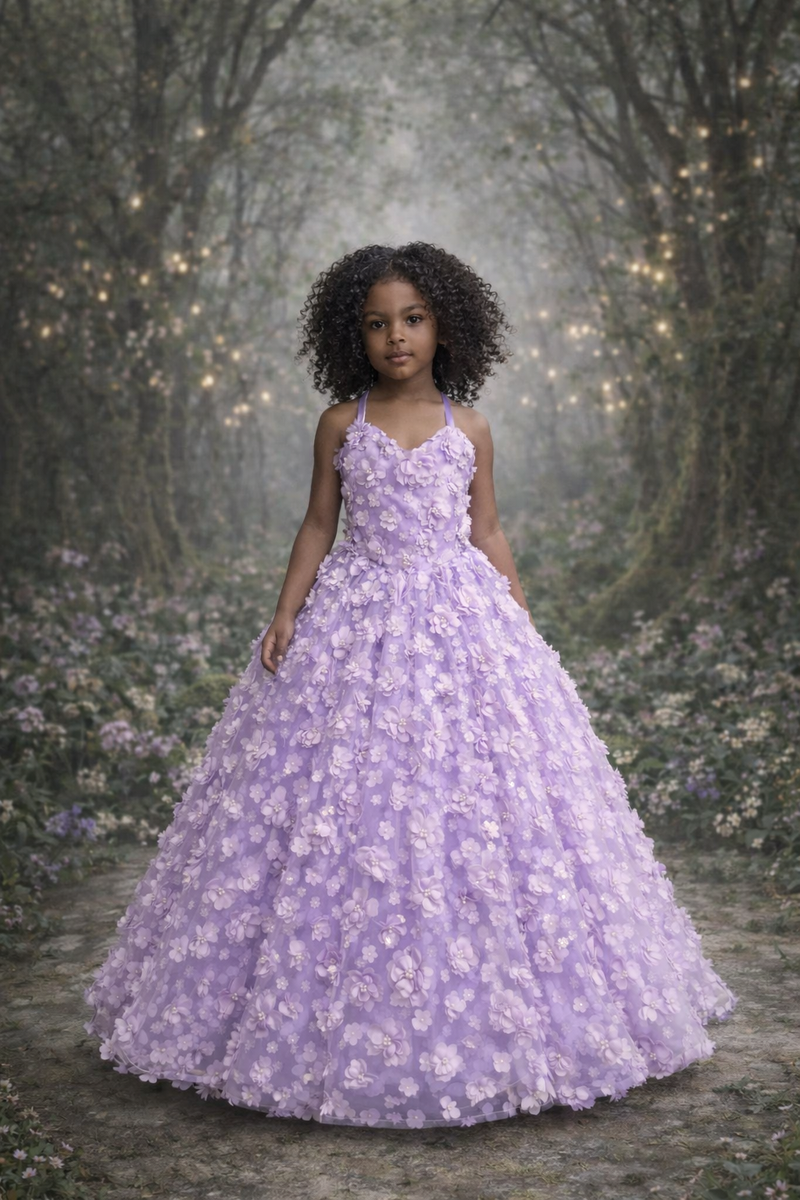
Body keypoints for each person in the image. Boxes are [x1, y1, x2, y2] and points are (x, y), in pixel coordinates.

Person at [84, 242, 737, 1129]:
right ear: (355, 335)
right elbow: (319, 523)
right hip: (353, 621)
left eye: (414, 319)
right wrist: (286, 612)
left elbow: (490, 530)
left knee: (470, 804)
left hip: (459, 616)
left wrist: (516, 618)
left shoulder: (469, 428)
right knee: (342, 806)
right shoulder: (338, 424)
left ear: (445, 327)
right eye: (379, 323)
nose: (397, 337)